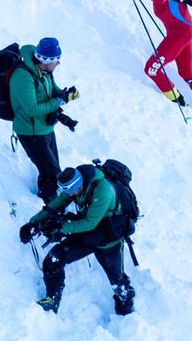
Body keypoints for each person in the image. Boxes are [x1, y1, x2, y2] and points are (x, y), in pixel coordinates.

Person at [20, 165, 135, 315]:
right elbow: (56, 204)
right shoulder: (75, 186)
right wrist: (33, 222)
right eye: (67, 191)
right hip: (88, 234)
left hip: (108, 239)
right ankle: (52, 299)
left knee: (117, 281)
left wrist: (61, 228)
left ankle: (126, 308)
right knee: (54, 258)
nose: (70, 194)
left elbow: (90, 222)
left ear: (79, 184)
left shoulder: (103, 191)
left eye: (71, 190)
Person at [8, 37, 78, 202]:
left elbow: (52, 90)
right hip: (30, 133)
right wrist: (58, 102)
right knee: (53, 173)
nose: (57, 64)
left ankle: (47, 198)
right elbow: (31, 109)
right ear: (46, 61)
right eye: (56, 61)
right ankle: (50, 206)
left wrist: (65, 94)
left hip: (45, 129)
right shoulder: (23, 77)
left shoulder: (44, 72)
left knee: (51, 171)